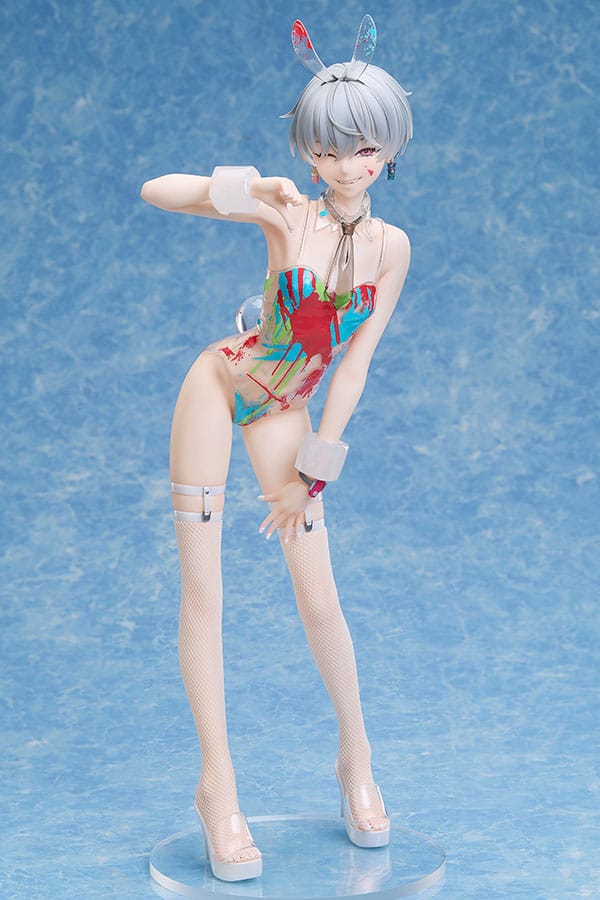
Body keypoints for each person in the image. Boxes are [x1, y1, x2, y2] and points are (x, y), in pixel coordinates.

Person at [141, 15, 412, 883]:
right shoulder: (286, 209)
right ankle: (216, 791)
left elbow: (353, 369)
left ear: (387, 150)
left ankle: (356, 760)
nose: (344, 165)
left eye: (360, 149)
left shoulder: (391, 249)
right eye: (326, 150)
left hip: (288, 409)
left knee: (320, 597)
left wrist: (313, 474)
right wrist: (240, 187)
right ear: (309, 154)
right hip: (222, 383)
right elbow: (156, 190)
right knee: (206, 593)